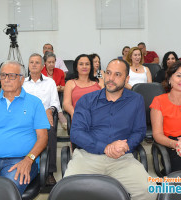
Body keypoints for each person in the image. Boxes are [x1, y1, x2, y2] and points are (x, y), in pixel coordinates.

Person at [64, 59, 157, 200]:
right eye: (108, 73)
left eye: (117, 74)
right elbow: (76, 133)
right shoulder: (87, 100)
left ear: (127, 79)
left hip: (122, 158)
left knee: (150, 191)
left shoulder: (136, 100)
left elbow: (139, 131)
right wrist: (105, 147)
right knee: (66, 192)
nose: (111, 79)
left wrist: (126, 146)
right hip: (88, 157)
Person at [0, 60, 49, 195]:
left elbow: (43, 138)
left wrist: (28, 160)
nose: (6, 80)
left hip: (21, 161)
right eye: (3, 75)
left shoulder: (35, 103)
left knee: (4, 192)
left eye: (11, 76)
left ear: (22, 79)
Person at [23, 53, 60, 185]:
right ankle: (26, 166)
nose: (33, 64)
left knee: (50, 132)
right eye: (31, 62)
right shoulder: (22, 83)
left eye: (37, 62)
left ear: (42, 65)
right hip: (25, 117)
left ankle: (49, 172)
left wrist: (50, 110)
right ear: (28, 65)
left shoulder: (50, 82)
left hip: (44, 116)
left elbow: (55, 103)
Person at [150, 60, 181, 172]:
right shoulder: (159, 101)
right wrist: (175, 144)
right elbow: (157, 134)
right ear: (169, 79)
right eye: (179, 76)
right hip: (170, 144)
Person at [63, 54, 104, 119]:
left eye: (87, 64)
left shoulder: (99, 82)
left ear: (91, 67)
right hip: (79, 117)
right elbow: (66, 104)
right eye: (81, 64)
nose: (84, 67)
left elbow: (105, 101)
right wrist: (73, 113)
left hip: (98, 117)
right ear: (76, 67)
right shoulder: (70, 83)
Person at [41, 52, 67, 130]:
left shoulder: (60, 72)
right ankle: (60, 113)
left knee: (54, 94)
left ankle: (58, 112)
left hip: (57, 95)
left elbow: (64, 87)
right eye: (49, 62)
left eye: (53, 62)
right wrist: (52, 89)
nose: (51, 64)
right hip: (43, 95)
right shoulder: (40, 72)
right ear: (45, 62)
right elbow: (40, 87)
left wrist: (58, 88)